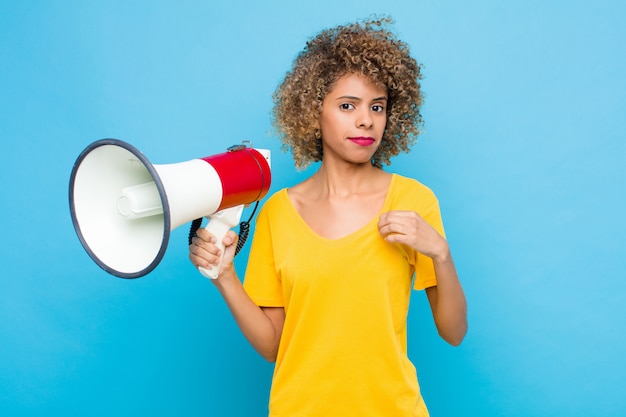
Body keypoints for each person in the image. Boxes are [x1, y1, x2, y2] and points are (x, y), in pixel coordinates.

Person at [189, 16, 467, 417]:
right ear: (313, 112)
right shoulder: (278, 213)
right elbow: (272, 346)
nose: (366, 120)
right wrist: (225, 276)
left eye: (377, 107)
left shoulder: (413, 201)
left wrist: (441, 253)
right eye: (347, 105)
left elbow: (453, 333)